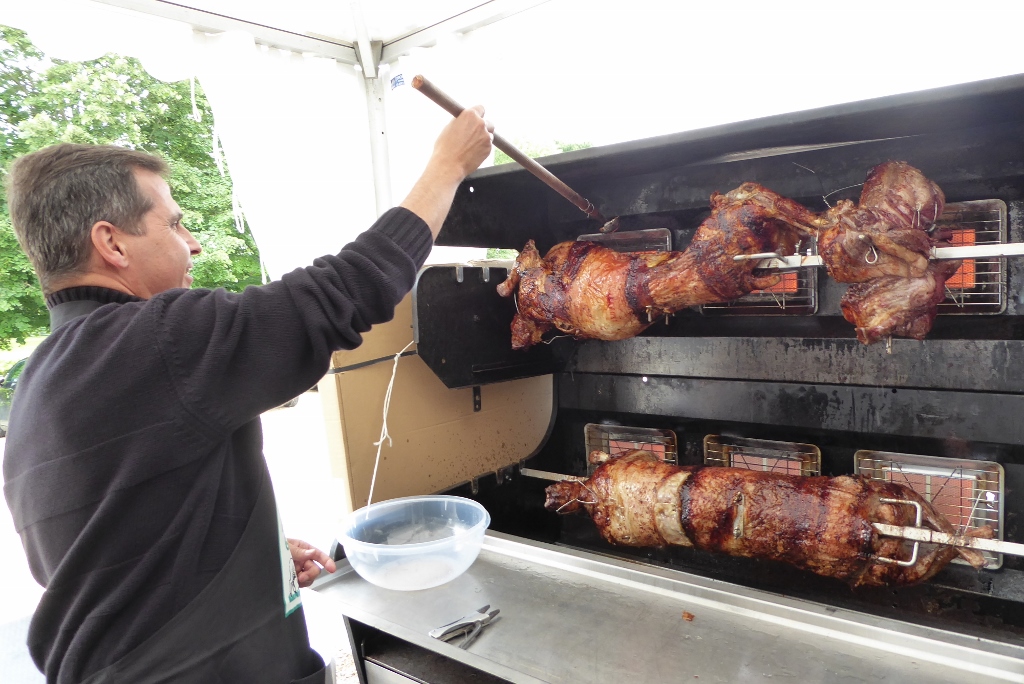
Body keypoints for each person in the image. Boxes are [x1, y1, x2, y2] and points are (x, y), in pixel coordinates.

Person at [2, 106, 494, 683]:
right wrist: (446, 166)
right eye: (174, 225)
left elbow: (89, 556)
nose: (193, 245)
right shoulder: (157, 341)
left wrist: (244, 556)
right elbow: (346, 289)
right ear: (111, 243)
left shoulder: (41, 380)